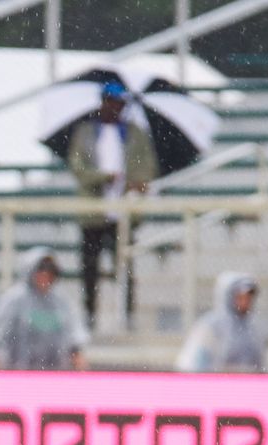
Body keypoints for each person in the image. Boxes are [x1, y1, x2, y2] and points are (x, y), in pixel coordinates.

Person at [66, 82, 158, 330]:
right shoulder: (86, 132)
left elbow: (146, 167)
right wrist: (103, 177)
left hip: (122, 212)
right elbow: (78, 168)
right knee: (90, 267)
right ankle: (90, 314)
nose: (114, 108)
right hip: (93, 211)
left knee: (124, 266)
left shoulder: (134, 134)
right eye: (110, 102)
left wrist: (134, 182)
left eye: (118, 103)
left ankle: (127, 315)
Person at [0, 247, 90, 370]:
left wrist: (77, 358)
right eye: (41, 268)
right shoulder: (14, 299)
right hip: (17, 373)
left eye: (51, 270)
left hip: (54, 374)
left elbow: (74, 338)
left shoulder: (61, 302)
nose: (45, 274)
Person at [176, 272, 268, 373]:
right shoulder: (211, 327)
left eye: (248, 298)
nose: (245, 302)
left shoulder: (253, 329)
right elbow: (194, 364)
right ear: (228, 297)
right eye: (240, 297)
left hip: (248, 382)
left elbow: (262, 364)